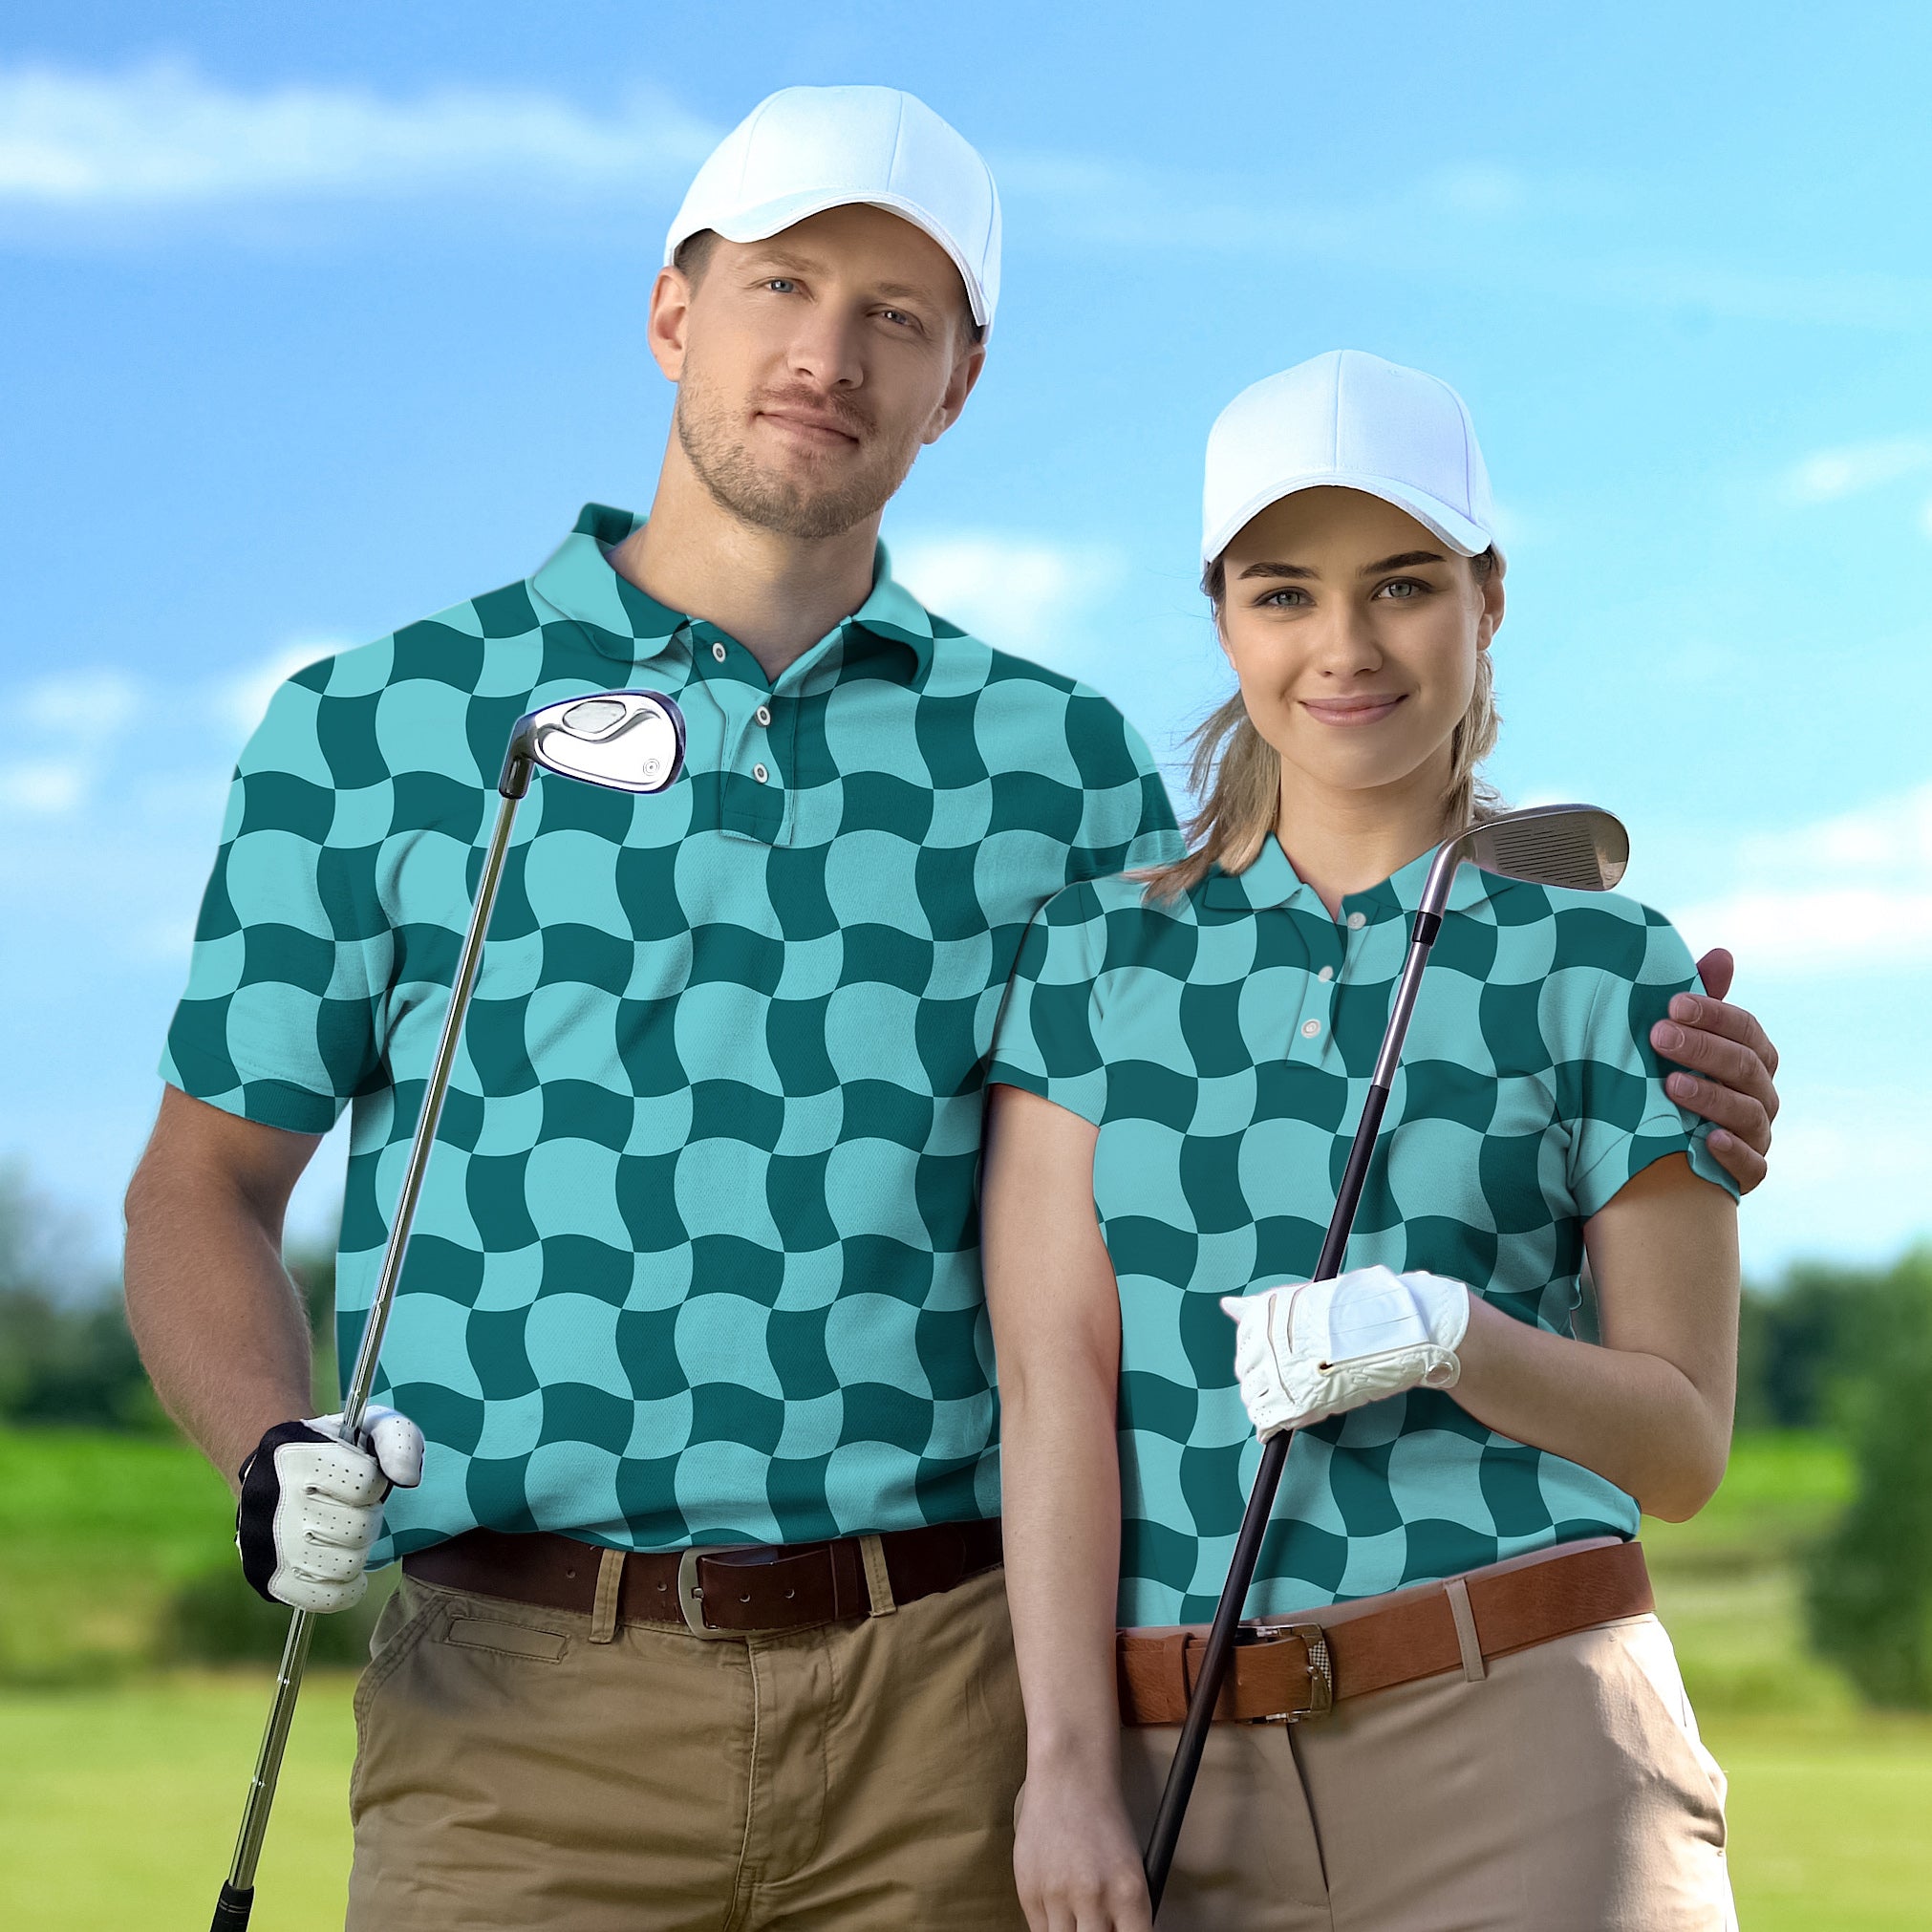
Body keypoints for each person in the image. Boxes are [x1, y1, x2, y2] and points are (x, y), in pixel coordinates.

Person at [119, 82, 1777, 1928]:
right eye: (781, 286)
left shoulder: (1051, 758)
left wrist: (1619, 1008)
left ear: (960, 378)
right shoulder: (376, 728)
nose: (827, 354)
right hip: (514, 1704)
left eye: (894, 316)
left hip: (947, 1698)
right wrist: (271, 1450)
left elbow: (1271, 926)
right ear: (673, 309)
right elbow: (201, 1186)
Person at [983, 351, 1750, 1930]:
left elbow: (1677, 1449)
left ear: (1485, 599)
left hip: (1530, 1732)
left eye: (1400, 584)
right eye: (1283, 594)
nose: (1343, 647)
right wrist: (1062, 1761)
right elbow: (1052, 1381)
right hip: (1176, 1769)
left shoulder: (1609, 961)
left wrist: (1448, 1335)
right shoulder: (1087, 961)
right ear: (1220, 617)